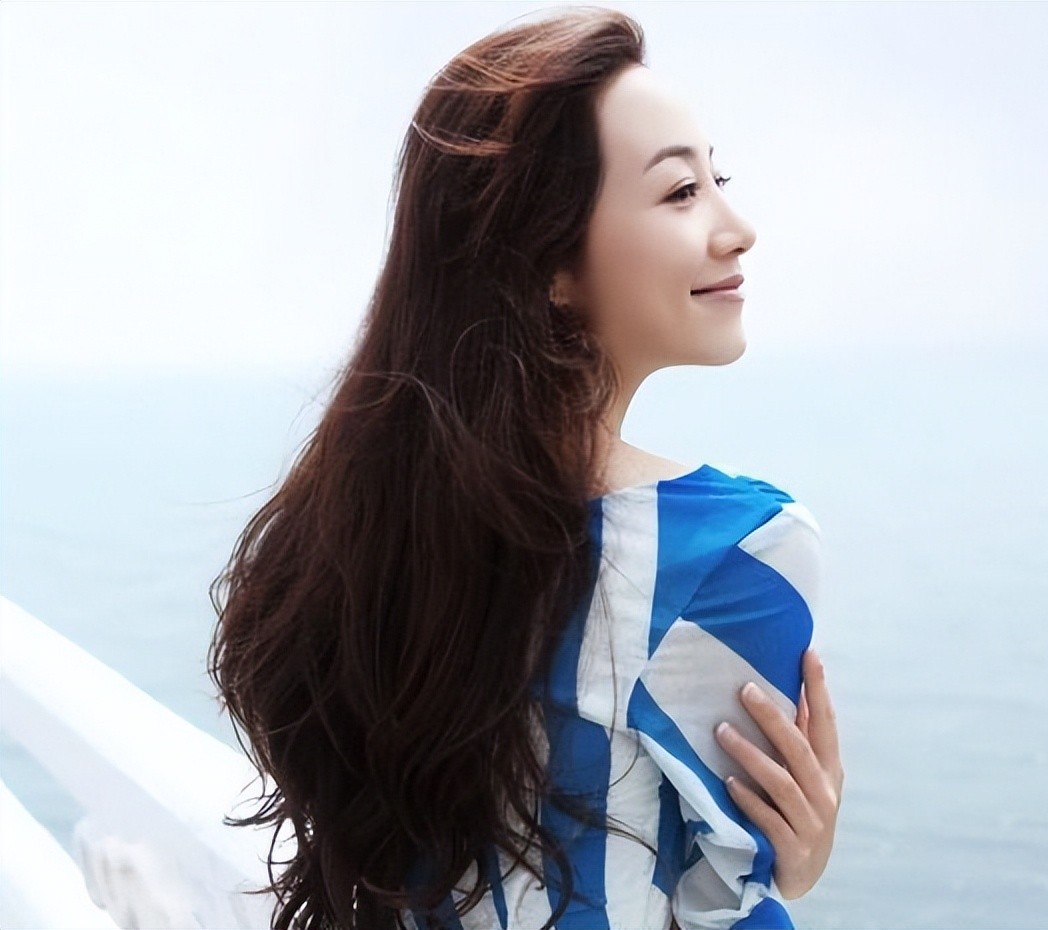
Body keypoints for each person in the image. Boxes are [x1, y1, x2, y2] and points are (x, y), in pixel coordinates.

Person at [208, 8, 842, 930]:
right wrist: (788, 871)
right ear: (549, 263)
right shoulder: (730, 551)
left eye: (719, 181)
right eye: (680, 193)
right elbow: (724, 903)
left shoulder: (361, 530)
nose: (737, 228)